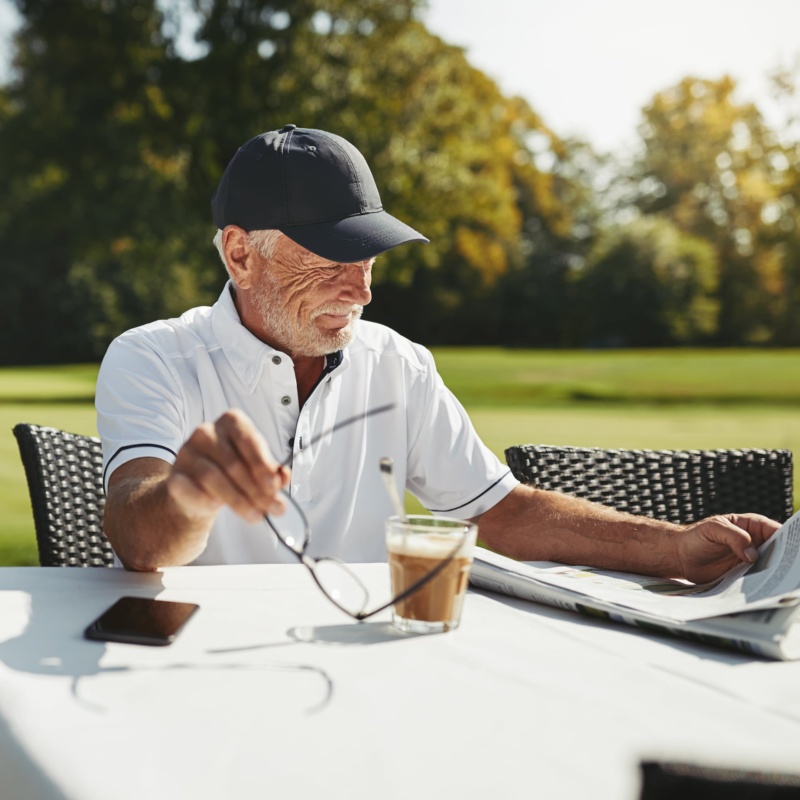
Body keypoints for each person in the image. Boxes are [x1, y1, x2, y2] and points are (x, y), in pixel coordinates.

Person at [96, 124, 779, 580]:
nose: (362, 287)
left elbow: (502, 511)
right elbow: (138, 539)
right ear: (241, 253)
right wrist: (188, 493)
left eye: (370, 257)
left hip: (369, 668)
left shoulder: (398, 364)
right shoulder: (153, 358)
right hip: (201, 682)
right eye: (334, 256)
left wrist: (676, 546)